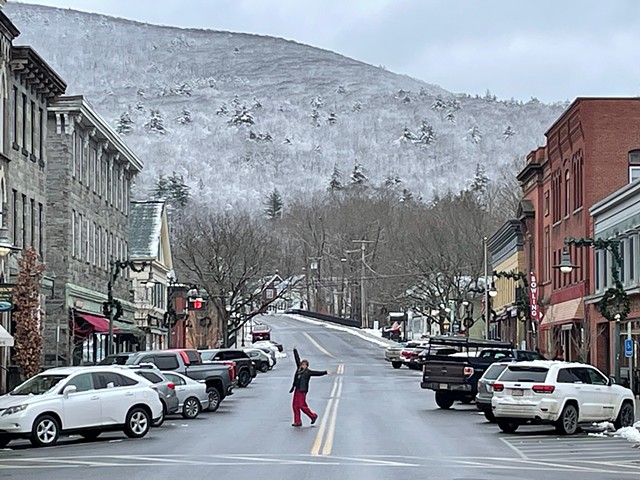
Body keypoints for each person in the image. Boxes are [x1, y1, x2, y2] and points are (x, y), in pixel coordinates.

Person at [289, 347, 330, 427]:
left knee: (302, 405)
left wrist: (325, 372)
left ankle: (313, 416)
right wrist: (295, 350)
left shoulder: (308, 372)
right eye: (302, 364)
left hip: (302, 391)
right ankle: (297, 421)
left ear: (307, 366)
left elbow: (316, 373)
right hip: (297, 389)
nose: (303, 365)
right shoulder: (298, 369)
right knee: (295, 406)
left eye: (304, 364)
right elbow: (297, 359)